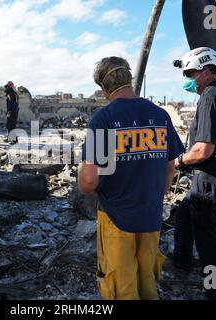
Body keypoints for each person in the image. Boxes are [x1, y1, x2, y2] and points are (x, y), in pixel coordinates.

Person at [78, 56, 185, 300]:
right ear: (130, 79)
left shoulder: (103, 120)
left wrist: (83, 181)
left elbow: (88, 182)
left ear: (105, 88)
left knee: (121, 288)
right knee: (147, 282)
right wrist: (158, 195)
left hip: (117, 218)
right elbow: (171, 166)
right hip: (151, 216)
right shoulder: (160, 116)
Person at [172, 47, 216, 300]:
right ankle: (181, 262)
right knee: (183, 215)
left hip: (209, 181)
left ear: (205, 71)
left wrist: (178, 161)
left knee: (209, 244)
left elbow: (203, 150)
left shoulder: (211, 97)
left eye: (190, 73)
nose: (187, 79)